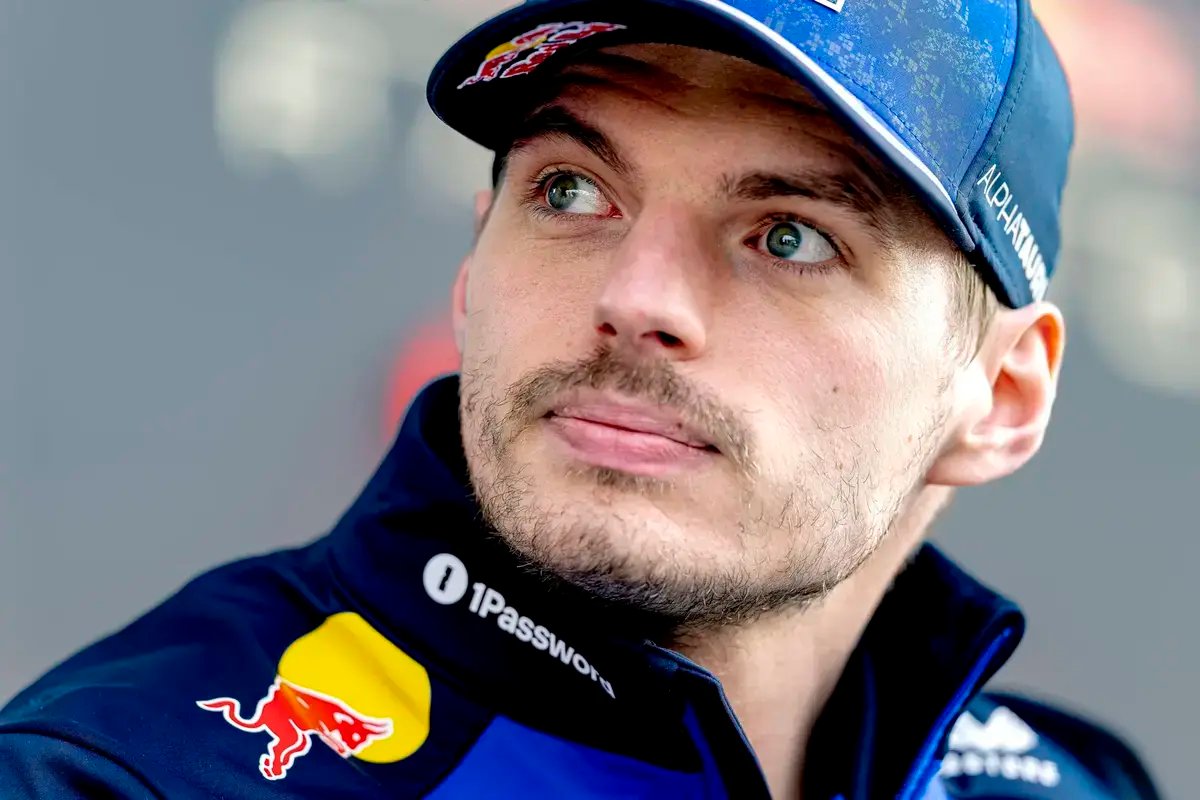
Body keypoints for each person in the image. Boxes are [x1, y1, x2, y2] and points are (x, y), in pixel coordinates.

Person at [0, 1, 1164, 798]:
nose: (636, 296)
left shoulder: (1079, 785)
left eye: (790, 235)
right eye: (571, 190)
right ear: (472, 270)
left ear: (1001, 394)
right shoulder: (116, 773)